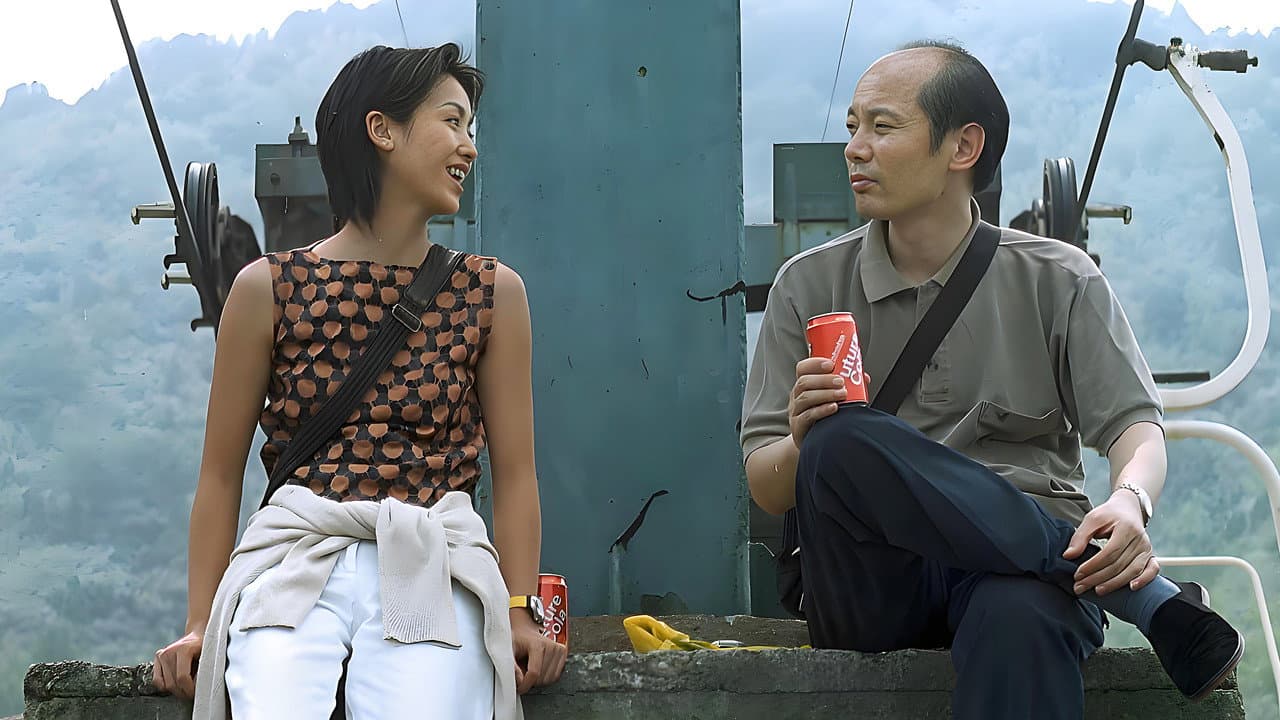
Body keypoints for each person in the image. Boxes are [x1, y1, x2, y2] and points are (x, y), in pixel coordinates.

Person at [741, 39, 1244, 719]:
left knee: (1023, 614)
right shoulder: (809, 284)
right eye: (854, 126)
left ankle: (1076, 572)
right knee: (839, 441)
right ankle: (1132, 592)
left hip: (1013, 578)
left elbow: (1135, 426)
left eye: (882, 127)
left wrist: (1130, 502)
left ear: (963, 146)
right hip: (874, 581)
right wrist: (804, 440)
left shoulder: (1056, 279)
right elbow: (766, 485)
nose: (854, 148)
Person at [151, 44, 566, 720]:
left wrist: (519, 610)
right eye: (451, 122)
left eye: (469, 128)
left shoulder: (490, 293)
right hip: (296, 555)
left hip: (429, 554)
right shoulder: (267, 289)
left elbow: (516, 473)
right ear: (382, 130)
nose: (468, 147)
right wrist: (201, 624)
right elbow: (220, 475)